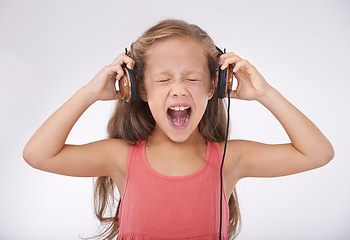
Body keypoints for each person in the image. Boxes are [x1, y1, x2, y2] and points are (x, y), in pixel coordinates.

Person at [23, 19, 334, 240]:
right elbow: (38, 155)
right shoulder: (121, 158)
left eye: (192, 78)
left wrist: (264, 92)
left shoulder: (230, 158)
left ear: (216, 85)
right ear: (138, 89)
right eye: (163, 79)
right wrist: (89, 92)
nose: (178, 89)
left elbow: (318, 153)